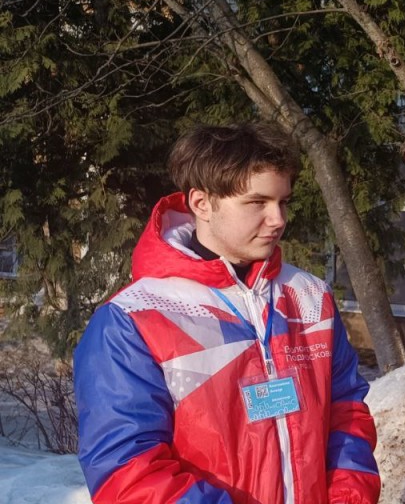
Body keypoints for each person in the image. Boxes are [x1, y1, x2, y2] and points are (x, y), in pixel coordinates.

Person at [74, 123, 380, 504]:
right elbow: (129, 472)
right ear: (201, 203)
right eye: (257, 203)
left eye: (283, 202)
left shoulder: (309, 296)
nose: (278, 219)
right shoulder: (134, 318)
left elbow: (346, 412)